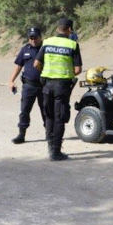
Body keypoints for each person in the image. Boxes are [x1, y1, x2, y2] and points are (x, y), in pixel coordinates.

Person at [34, 18, 82, 161]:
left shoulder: (47, 42)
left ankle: (50, 147)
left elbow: (36, 63)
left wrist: (45, 72)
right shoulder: (73, 44)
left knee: (49, 116)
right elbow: (78, 69)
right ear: (69, 30)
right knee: (59, 117)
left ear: (57, 29)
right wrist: (68, 74)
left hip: (47, 85)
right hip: (62, 86)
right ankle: (56, 152)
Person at [8, 27, 44, 144]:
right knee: (24, 111)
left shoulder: (46, 49)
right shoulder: (25, 49)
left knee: (46, 111)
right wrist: (11, 81)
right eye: (31, 37)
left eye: (35, 37)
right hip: (29, 86)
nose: (33, 40)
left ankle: (50, 134)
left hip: (44, 86)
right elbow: (18, 66)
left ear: (40, 37)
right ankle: (21, 135)